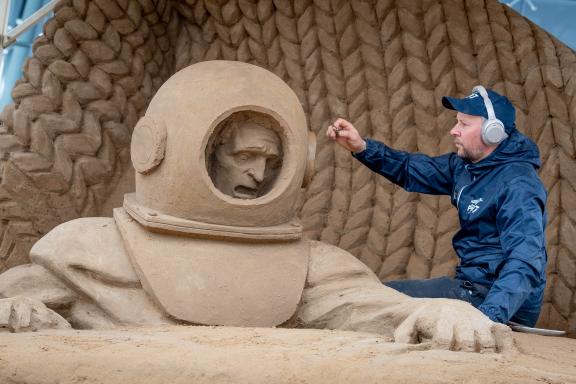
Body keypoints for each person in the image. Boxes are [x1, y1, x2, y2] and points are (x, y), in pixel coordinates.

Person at [0, 62, 513, 353]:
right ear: (158, 149)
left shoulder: (314, 265)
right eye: (244, 155)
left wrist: (441, 308)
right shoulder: (90, 249)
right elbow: (16, 294)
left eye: (272, 160)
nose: (259, 173)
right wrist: (15, 308)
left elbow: (372, 307)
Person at [326, 86, 547, 327]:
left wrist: (486, 319)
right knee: (376, 296)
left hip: (498, 300)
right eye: (456, 123)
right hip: (473, 288)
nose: (454, 131)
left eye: (464, 124)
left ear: (492, 132)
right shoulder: (465, 166)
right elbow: (409, 167)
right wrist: (361, 147)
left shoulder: (519, 184)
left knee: (378, 299)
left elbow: (526, 260)